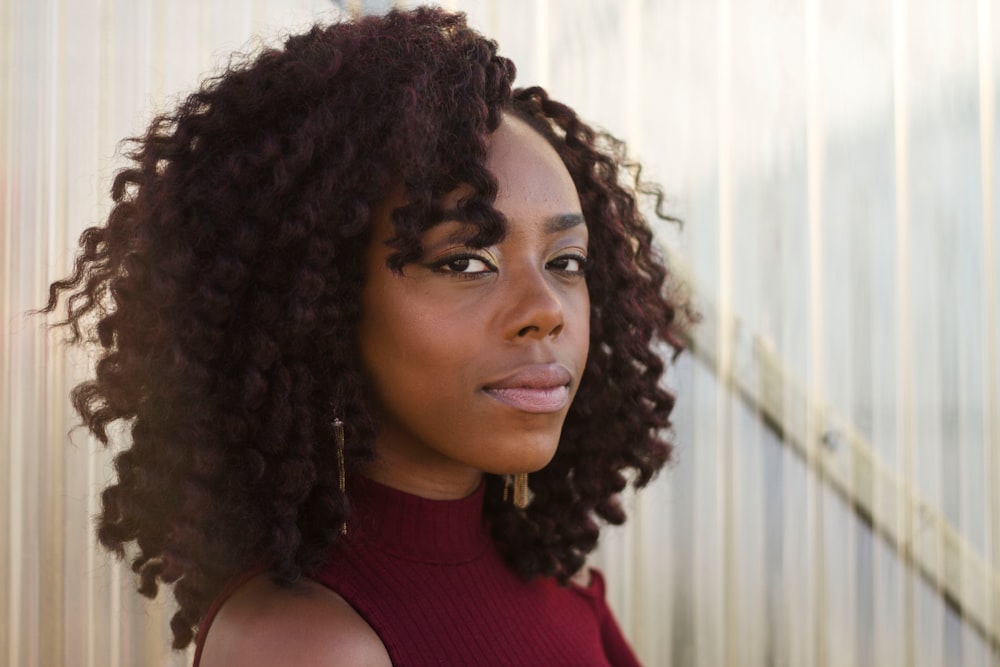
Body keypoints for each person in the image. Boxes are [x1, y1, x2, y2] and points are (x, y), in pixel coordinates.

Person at [42, 6, 690, 666]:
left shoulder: (560, 583)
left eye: (566, 262)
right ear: (315, 302)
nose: (546, 309)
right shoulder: (309, 645)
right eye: (464, 260)